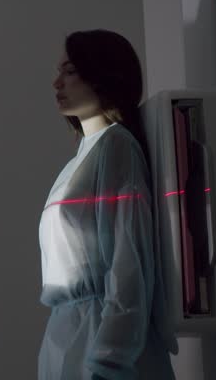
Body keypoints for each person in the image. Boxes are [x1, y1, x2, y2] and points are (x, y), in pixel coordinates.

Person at [37, 29, 178, 380]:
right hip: (66, 341)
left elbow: (128, 261)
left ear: (101, 75)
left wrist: (110, 361)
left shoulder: (116, 146)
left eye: (69, 71)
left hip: (100, 342)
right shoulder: (78, 162)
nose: (57, 83)